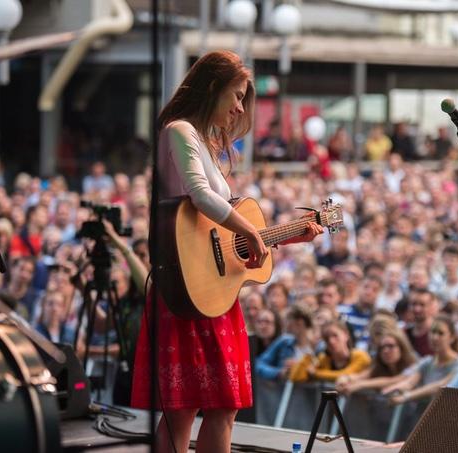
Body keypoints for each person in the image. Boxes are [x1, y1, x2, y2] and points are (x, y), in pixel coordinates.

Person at [130, 51, 322, 453]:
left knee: (223, 408)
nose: (239, 107)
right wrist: (252, 230)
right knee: (182, 411)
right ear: (212, 88)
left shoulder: (206, 144)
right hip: (184, 290)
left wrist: (287, 236)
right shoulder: (178, 131)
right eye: (235, 95)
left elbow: (223, 238)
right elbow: (200, 197)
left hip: (214, 295)